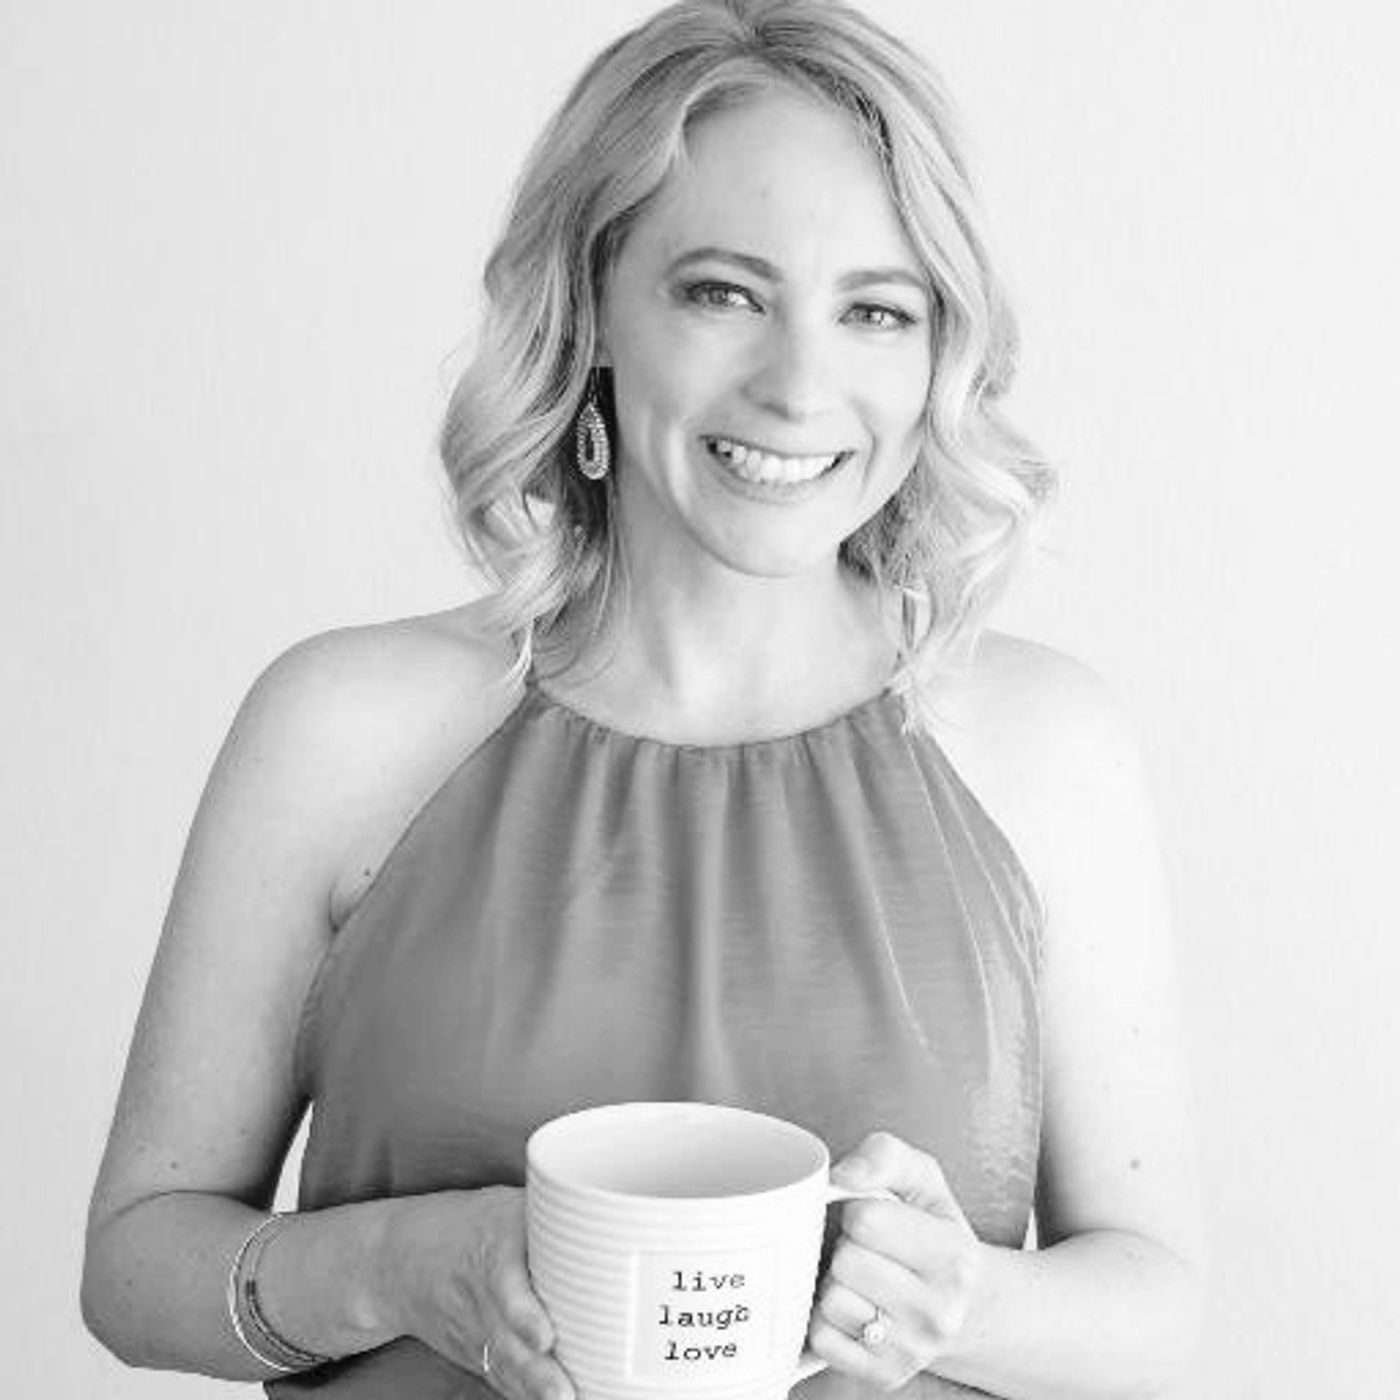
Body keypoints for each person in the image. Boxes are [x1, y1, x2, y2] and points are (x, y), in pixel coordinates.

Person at [81, 1, 1205, 1396]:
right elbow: (135, 1266)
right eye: (723, 292)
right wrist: (398, 1263)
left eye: (875, 310)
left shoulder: (1046, 744)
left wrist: (955, 1300)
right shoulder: (340, 729)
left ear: (935, 358)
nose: (799, 386)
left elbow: (1158, 1307)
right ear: (595, 302)